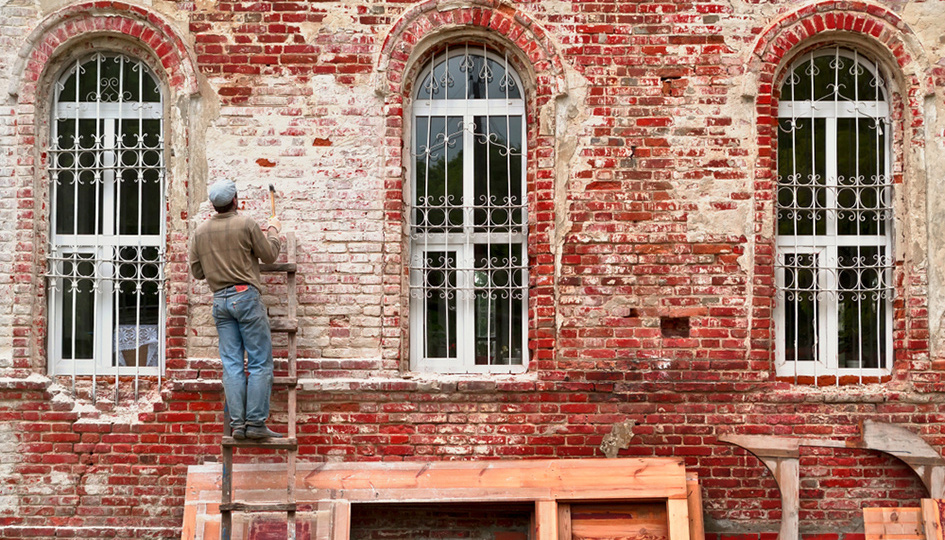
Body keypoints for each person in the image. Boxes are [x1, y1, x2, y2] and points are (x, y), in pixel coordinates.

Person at [189, 179, 283, 440]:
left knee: (231, 365)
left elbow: (197, 272)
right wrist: (273, 230)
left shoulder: (200, 232)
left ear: (213, 205)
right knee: (259, 362)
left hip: (220, 301)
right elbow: (269, 255)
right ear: (235, 200)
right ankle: (254, 423)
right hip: (246, 297)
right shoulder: (246, 224)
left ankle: (237, 425)